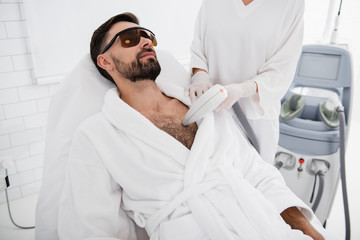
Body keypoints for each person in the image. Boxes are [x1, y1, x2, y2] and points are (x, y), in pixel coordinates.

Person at [57, 12, 328, 240]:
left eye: (146, 36)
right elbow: (93, 229)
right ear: (105, 62)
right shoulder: (95, 136)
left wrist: (308, 231)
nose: (143, 41)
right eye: (129, 39)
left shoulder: (202, 105)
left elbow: (257, 174)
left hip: (260, 224)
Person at [186, 0, 305, 164]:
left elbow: (283, 67)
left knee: (255, 182)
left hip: (256, 120)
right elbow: (198, 46)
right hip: (210, 114)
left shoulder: (290, 4)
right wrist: (200, 76)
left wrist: (244, 89)